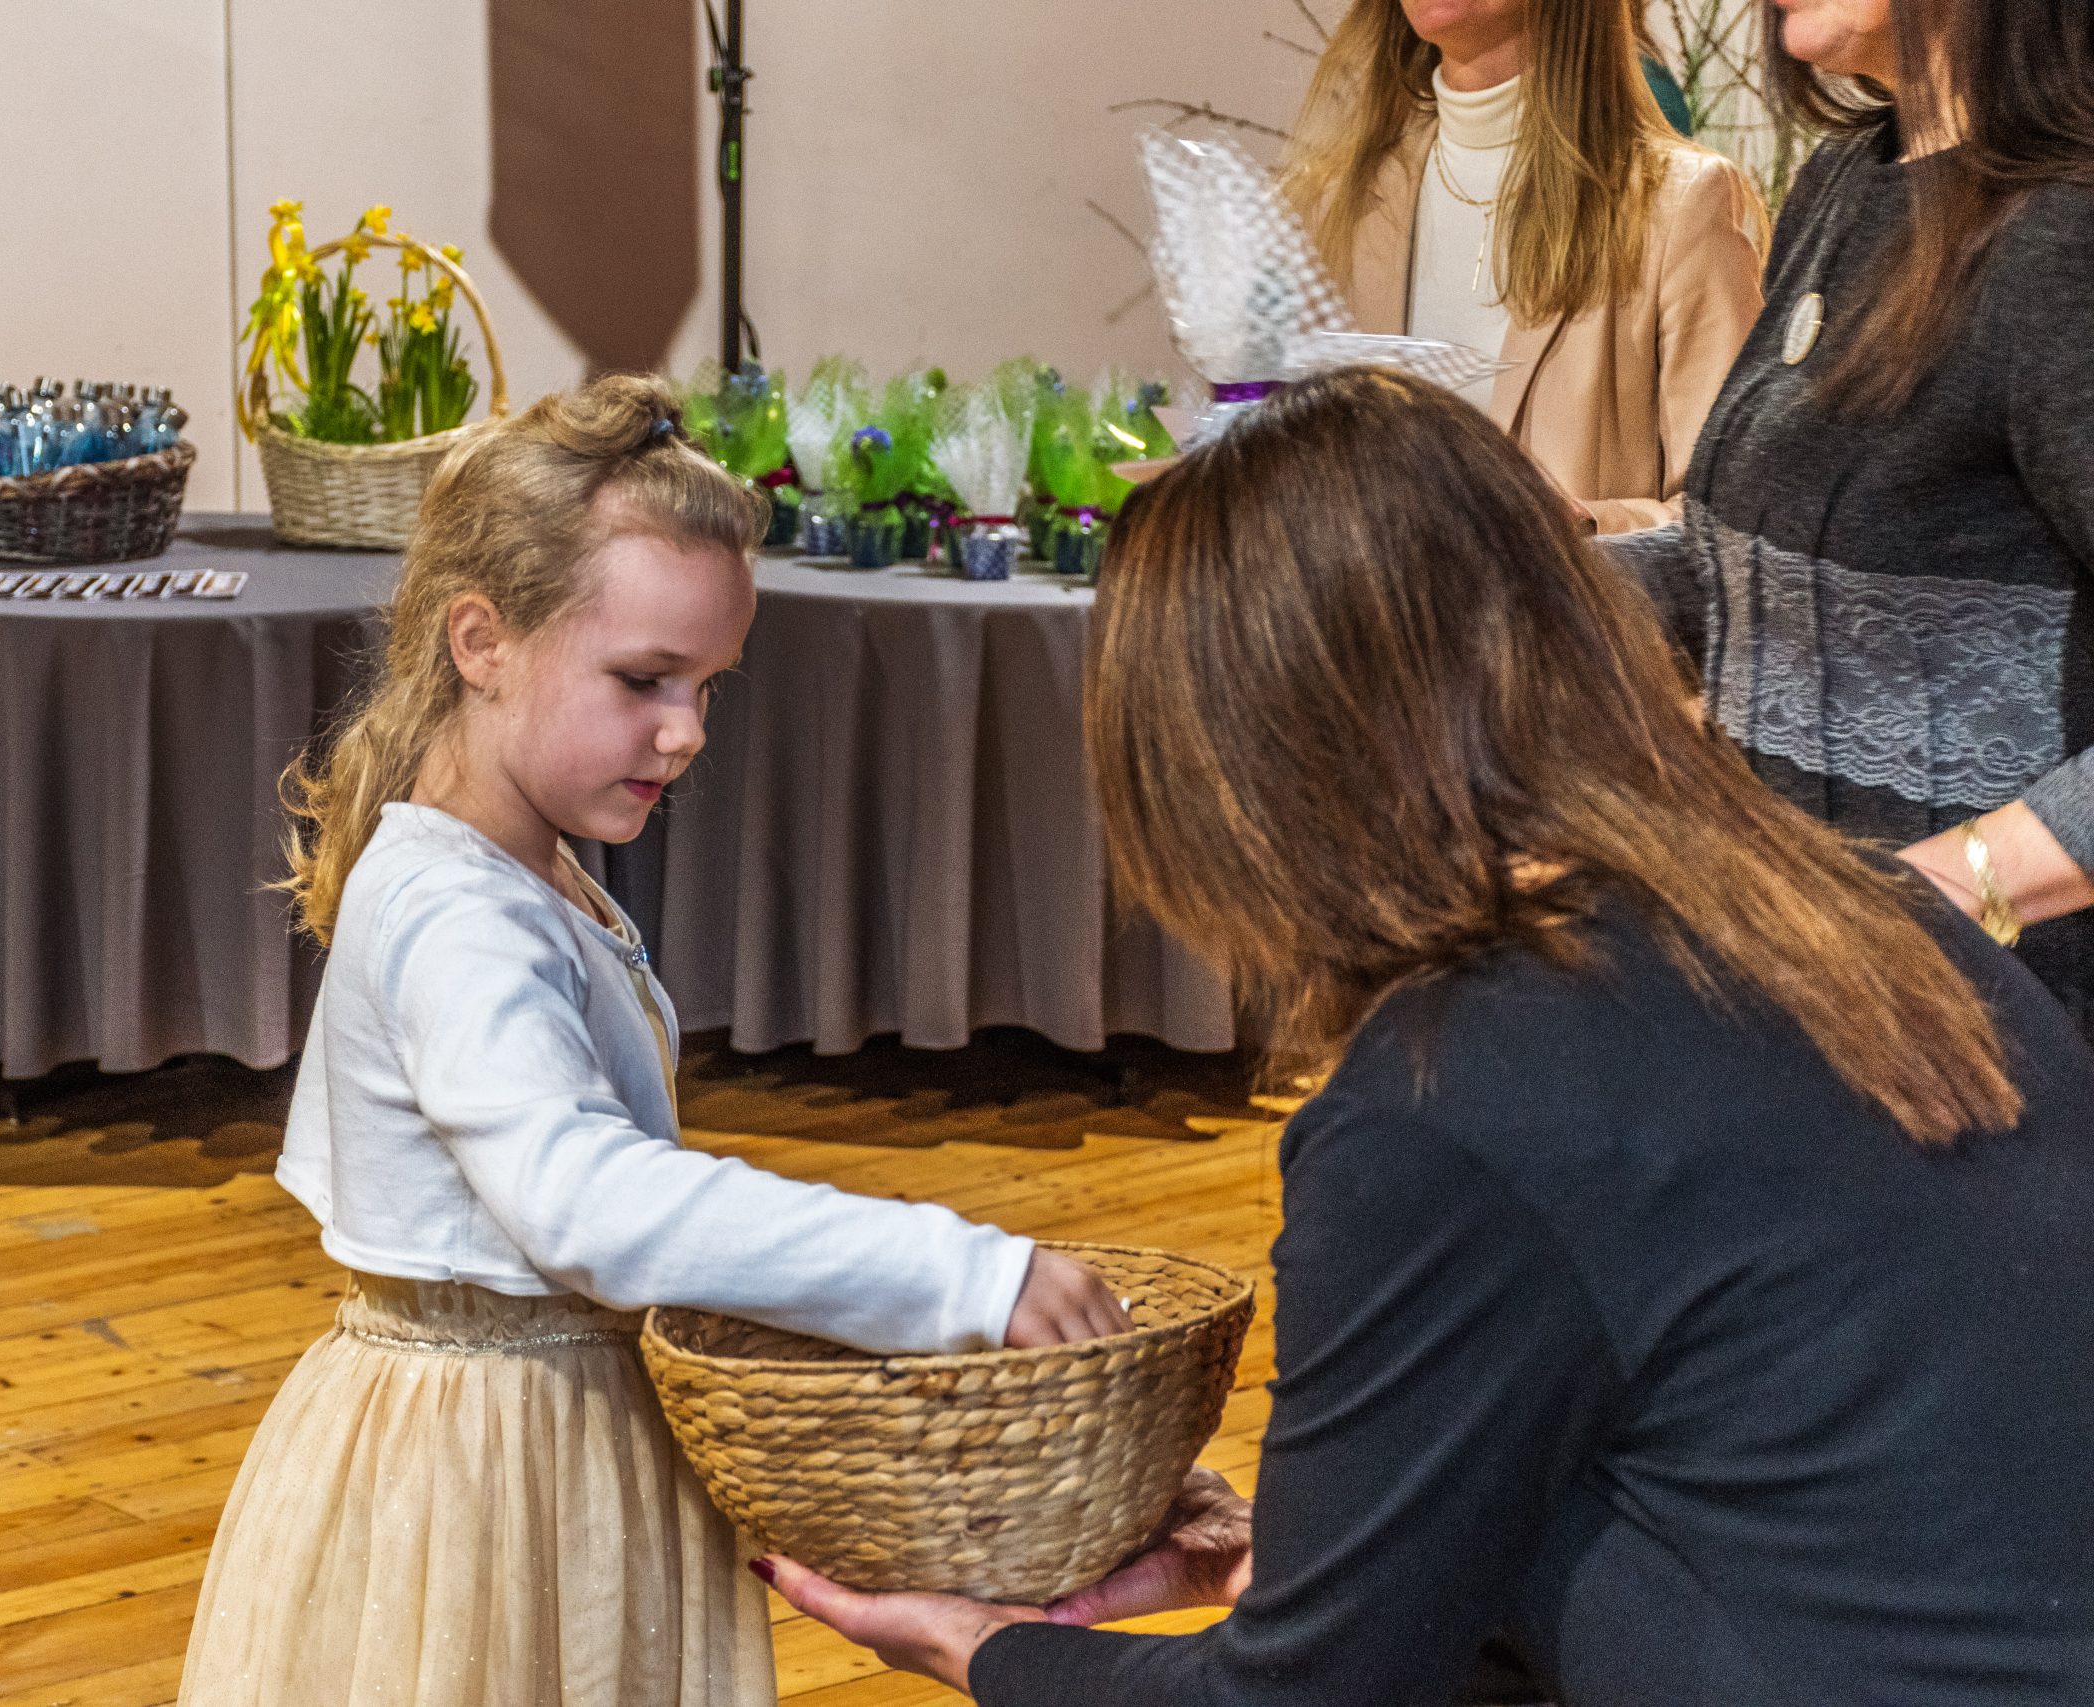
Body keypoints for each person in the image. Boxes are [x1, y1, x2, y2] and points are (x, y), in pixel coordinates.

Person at [761, 368, 2094, 1704]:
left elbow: (1300, 1700)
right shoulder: (1867, 915)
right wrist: (1347, 1552)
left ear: (1222, 769)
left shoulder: (1453, 1093)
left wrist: (985, 1645)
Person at [174, 375, 1126, 1707]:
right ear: (479, 640)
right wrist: (957, 1270)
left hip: (557, 1431)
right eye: (641, 680)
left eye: (704, 685)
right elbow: (584, 1201)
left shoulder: (524, 867)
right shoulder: (456, 911)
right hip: (484, 1475)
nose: (683, 732)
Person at [1613, 0, 2094, 1031]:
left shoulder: (2066, 237)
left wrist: (1946, 891)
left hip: (2000, 1028)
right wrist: (1504, 569)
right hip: (1812, 979)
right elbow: (1759, 567)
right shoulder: (1846, 178)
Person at [1284, 0, 1764, 531]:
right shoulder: (1334, 205)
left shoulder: (1680, 201)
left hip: (1575, 588)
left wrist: (1581, 525)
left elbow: (1734, 521)